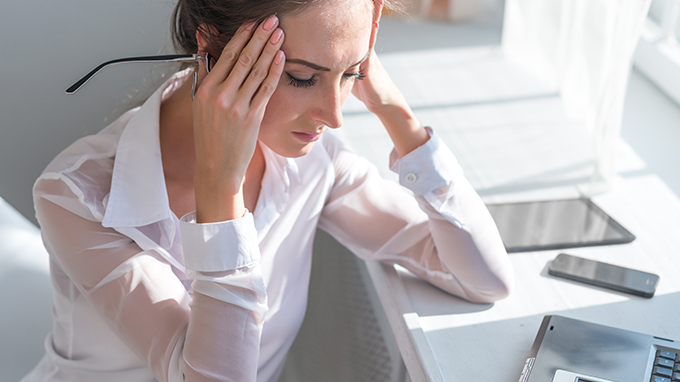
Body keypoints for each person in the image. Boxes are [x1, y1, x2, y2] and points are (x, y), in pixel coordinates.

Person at [23, 0, 514, 380]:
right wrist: (221, 195)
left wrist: (396, 114)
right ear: (213, 47)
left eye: (351, 74)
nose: (334, 114)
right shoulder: (78, 196)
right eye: (303, 77)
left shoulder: (313, 161)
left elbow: (481, 278)